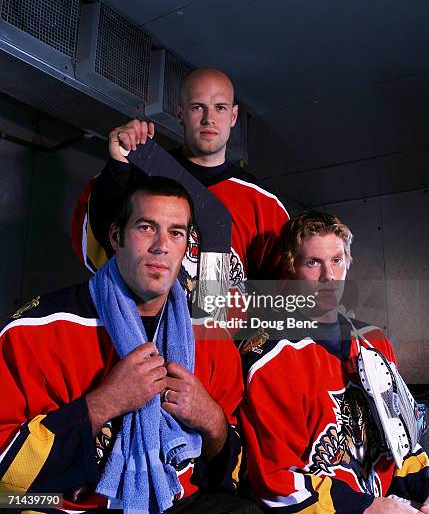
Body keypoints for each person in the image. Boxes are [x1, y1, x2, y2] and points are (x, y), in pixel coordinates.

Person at [0, 177, 258, 513]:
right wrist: (104, 403)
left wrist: (212, 420)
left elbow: (234, 473)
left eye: (176, 233)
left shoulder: (211, 336)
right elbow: (6, 476)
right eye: (147, 227)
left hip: (174, 501)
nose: (161, 245)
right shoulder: (33, 331)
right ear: (116, 236)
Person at [240, 210, 429, 513]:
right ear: (292, 268)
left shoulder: (373, 340)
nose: (328, 277)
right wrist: (369, 507)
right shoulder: (272, 356)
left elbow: (399, 441)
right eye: (313, 263)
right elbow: (275, 483)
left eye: (336, 261)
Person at [72, 68, 288, 290]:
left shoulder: (265, 204)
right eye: (197, 107)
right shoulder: (138, 172)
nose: (209, 119)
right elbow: (96, 247)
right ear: (180, 113)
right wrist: (118, 164)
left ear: (233, 116)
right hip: (142, 320)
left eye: (220, 108)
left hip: (218, 322)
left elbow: (281, 295)